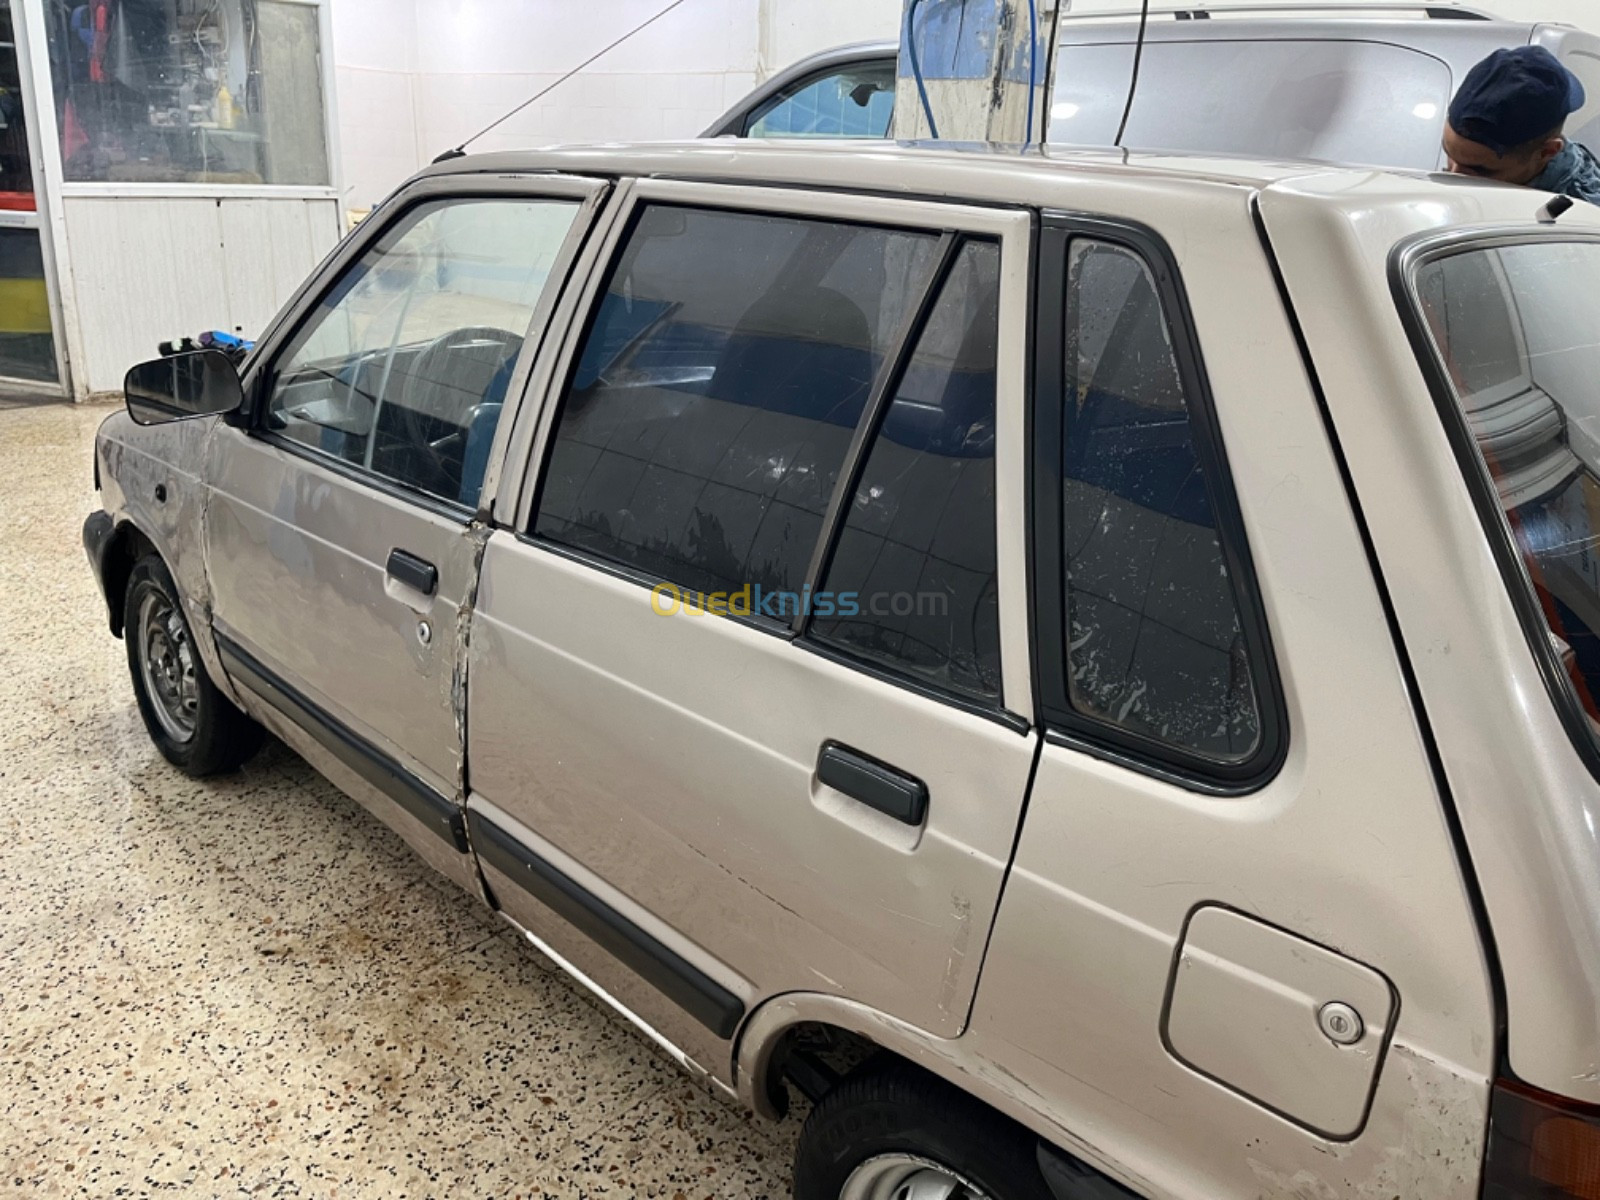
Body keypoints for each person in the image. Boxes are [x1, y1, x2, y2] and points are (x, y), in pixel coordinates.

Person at [1444, 45, 1600, 205]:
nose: (1452, 177)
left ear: (1547, 152)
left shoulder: (1584, 219)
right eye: (1448, 153)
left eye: (1478, 171)